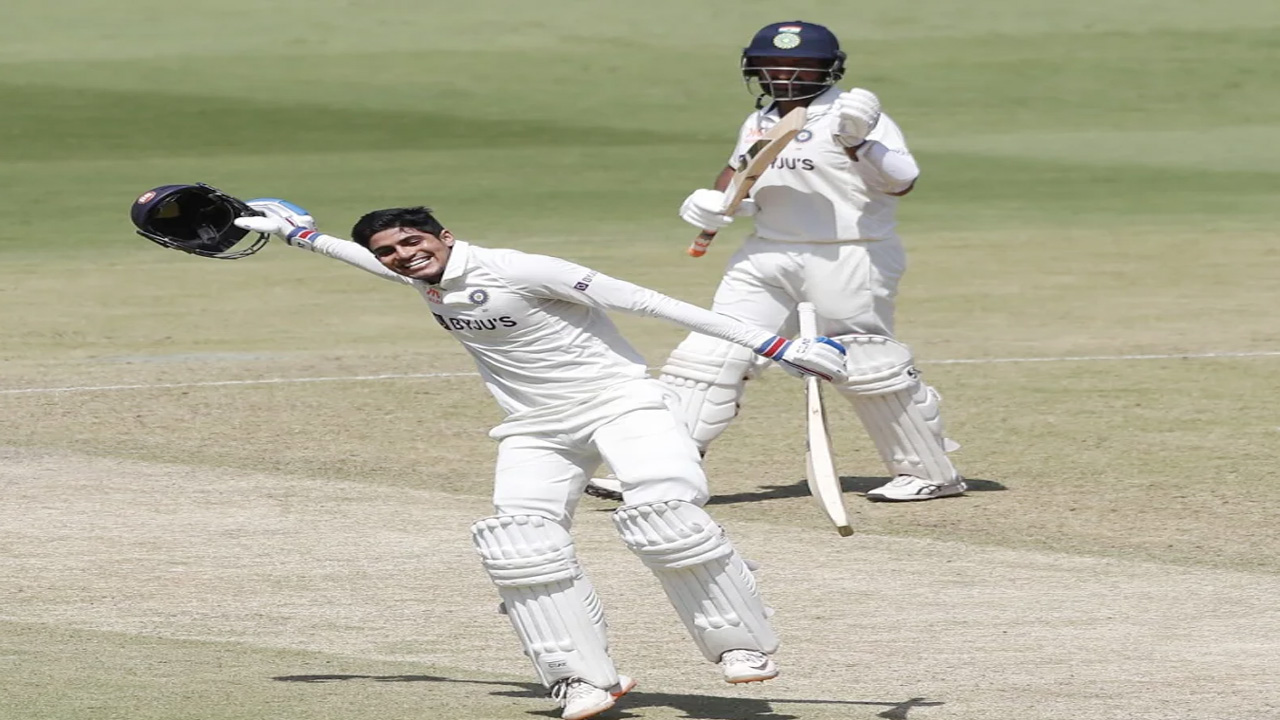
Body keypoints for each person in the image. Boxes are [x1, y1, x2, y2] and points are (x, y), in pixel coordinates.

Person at [233, 201, 848, 720]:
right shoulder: (421, 276)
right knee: (519, 546)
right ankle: (581, 678)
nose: (403, 256)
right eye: (390, 252)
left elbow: (648, 301)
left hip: (621, 403)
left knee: (664, 515)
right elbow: (366, 258)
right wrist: (300, 234)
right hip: (534, 426)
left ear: (444, 236)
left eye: (412, 243)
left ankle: (739, 644)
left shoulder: (521, 269)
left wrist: (775, 344)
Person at [655, 19, 966, 502]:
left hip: (847, 251)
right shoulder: (760, 119)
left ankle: (930, 472)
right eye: (773, 65)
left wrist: (859, 143)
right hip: (766, 250)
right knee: (712, 352)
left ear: (827, 69)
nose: (786, 75)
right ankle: (662, 471)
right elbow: (742, 171)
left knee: (865, 361)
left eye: (801, 65)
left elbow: (902, 180)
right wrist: (717, 201)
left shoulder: (854, 115)